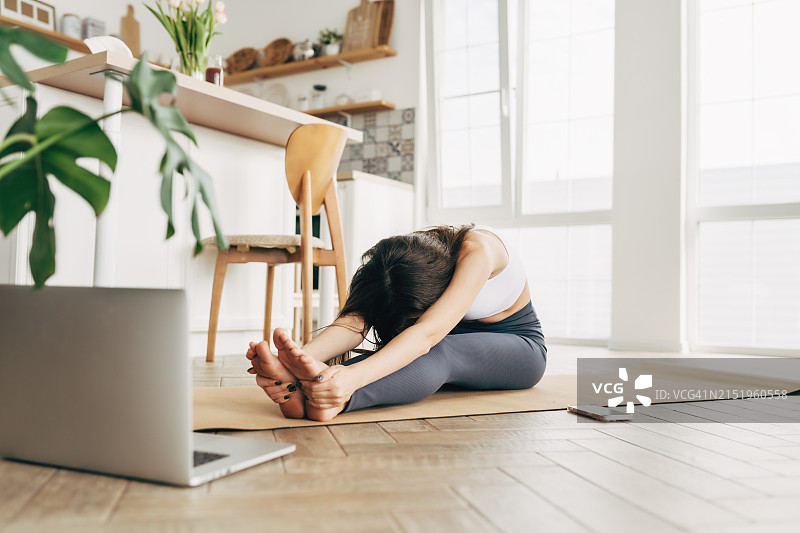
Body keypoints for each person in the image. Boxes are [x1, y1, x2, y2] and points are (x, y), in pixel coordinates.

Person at [245, 224, 547, 421]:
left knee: (440, 350)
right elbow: (355, 322)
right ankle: (304, 387)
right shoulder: (410, 257)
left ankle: (335, 399)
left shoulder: (478, 252)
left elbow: (426, 336)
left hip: (519, 347)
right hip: (444, 341)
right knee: (414, 348)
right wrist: (299, 358)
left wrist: (352, 381)